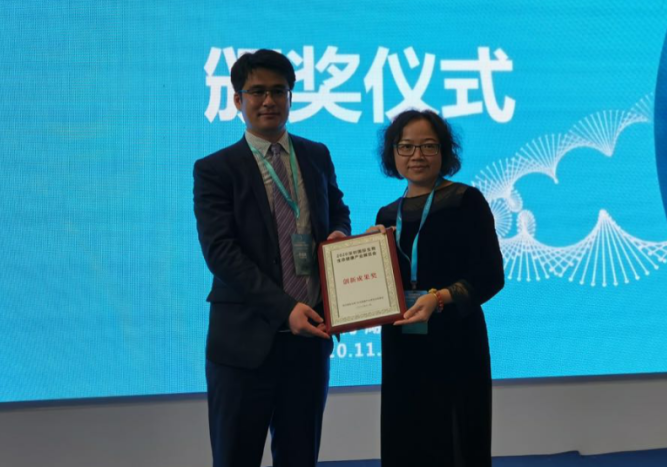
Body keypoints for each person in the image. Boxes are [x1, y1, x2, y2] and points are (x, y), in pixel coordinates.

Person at [193, 49, 351, 467]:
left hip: (309, 341)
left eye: (278, 91)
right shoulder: (215, 169)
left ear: (290, 97)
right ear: (237, 100)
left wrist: (339, 235)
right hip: (243, 346)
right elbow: (220, 253)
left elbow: (337, 209)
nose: (269, 101)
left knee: (300, 456)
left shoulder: (316, 154)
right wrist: (285, 309)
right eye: (257, 92)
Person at [367, 110, 505, 467]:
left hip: (456, 340)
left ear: (444, 151)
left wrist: (438, 298)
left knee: (457, 438)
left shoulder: (466, 201)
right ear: (393, 153)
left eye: (428, 146)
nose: (417, 155)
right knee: (405, 435)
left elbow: (490, 275)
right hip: (402, 341)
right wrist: (369, 251)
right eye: (406, 146)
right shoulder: (386, 215)